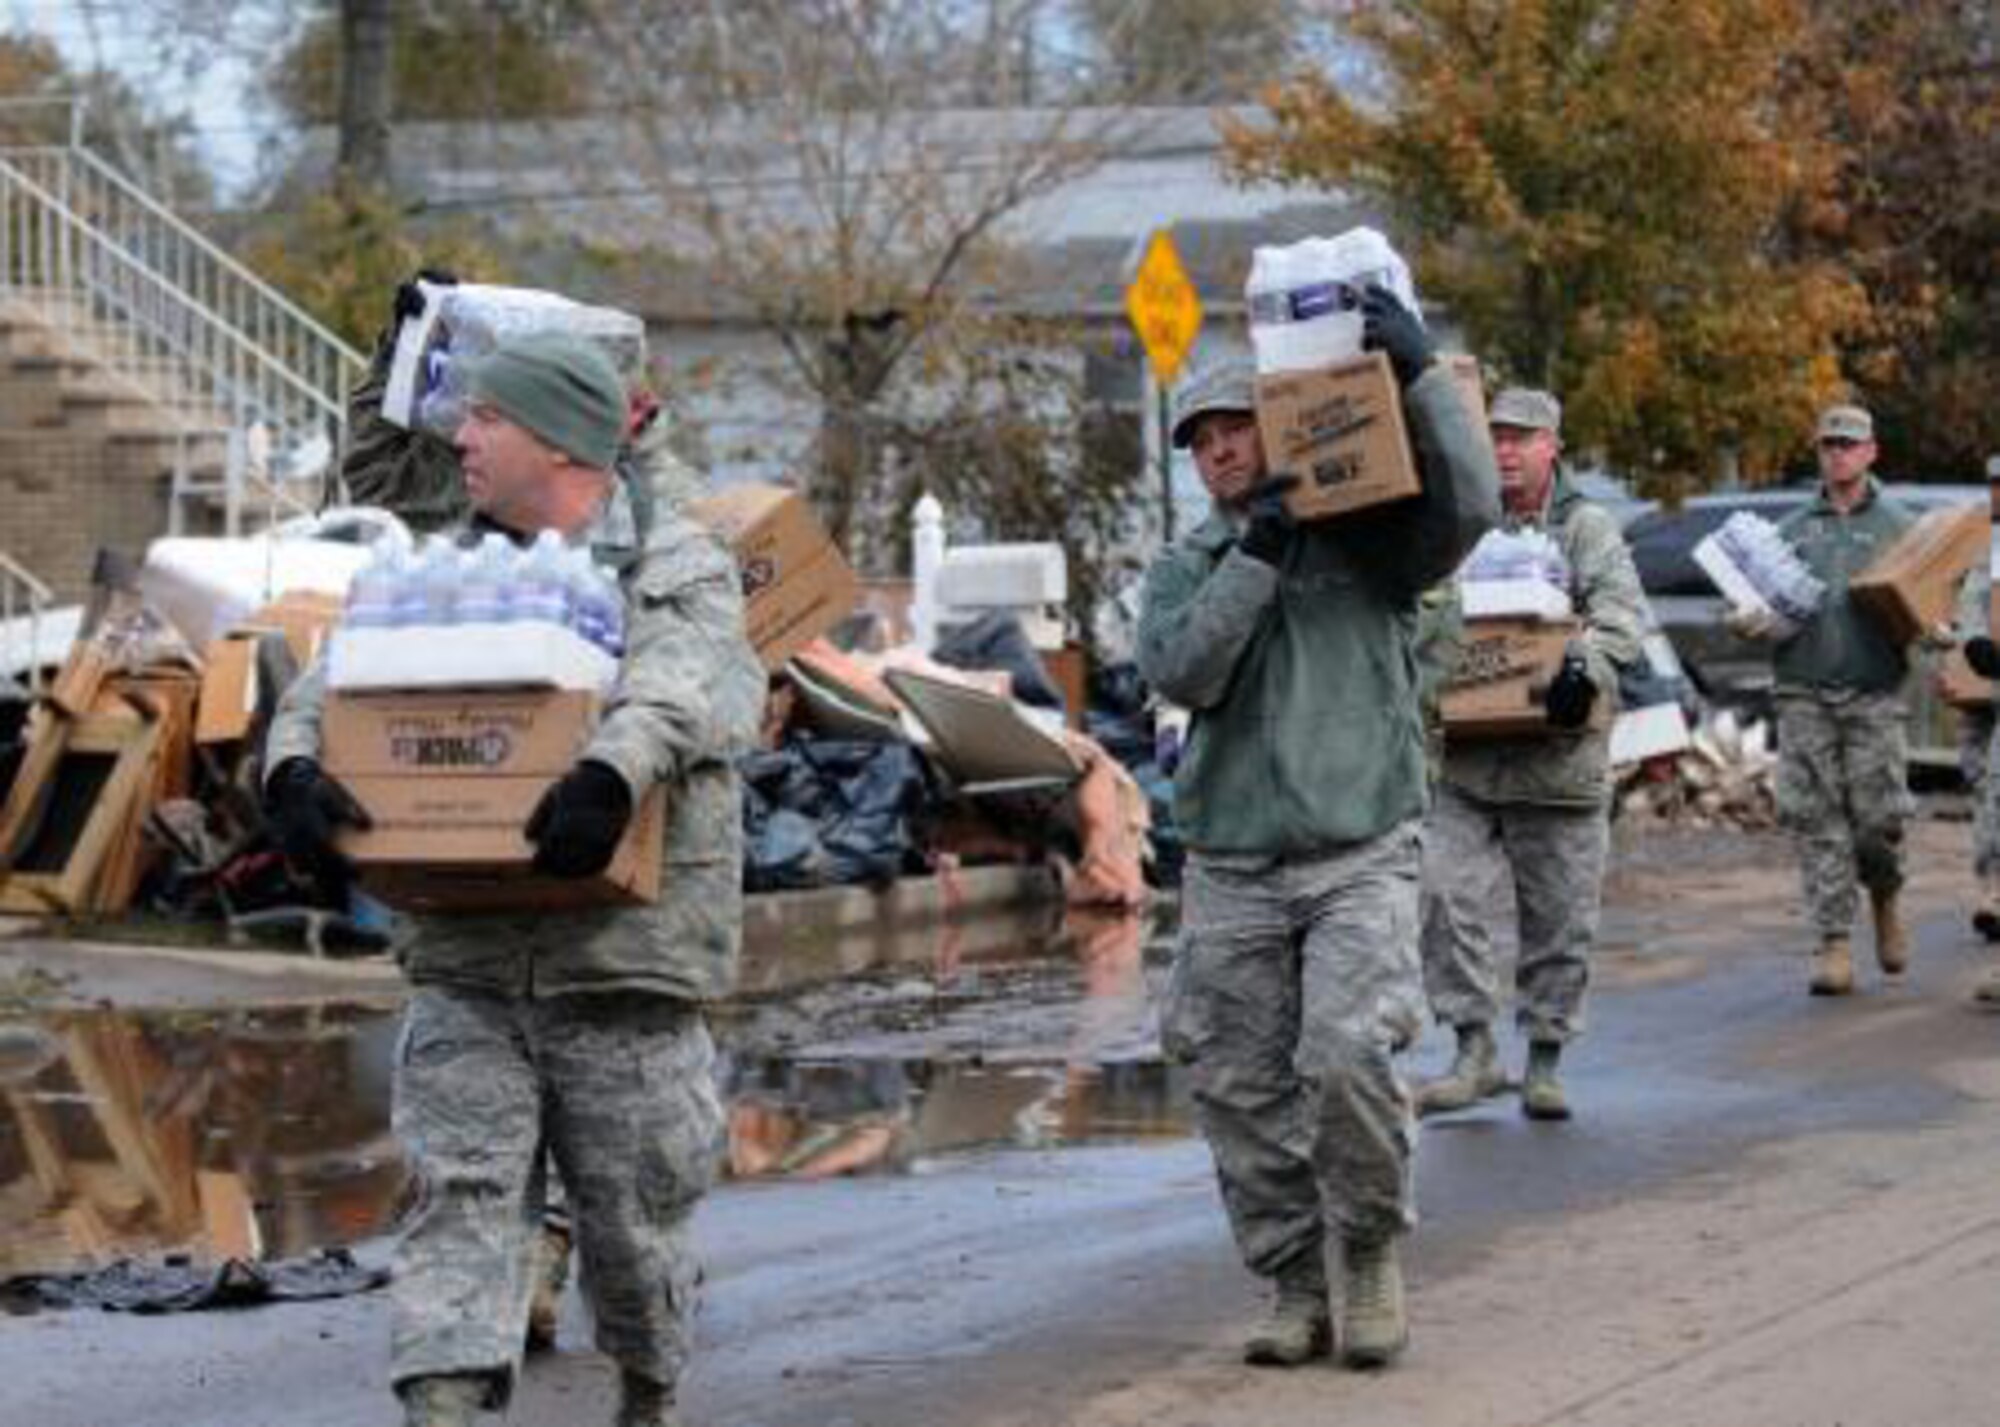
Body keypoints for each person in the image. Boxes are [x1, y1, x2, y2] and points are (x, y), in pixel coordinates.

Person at [264, 334, 765, 1427]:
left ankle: (648, 1394)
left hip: (622, 966)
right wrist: (291, 766)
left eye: (485, 418)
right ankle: (443, 1408)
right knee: (459, 1197)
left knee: (633, 1231)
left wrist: (605, 772)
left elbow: (686, 689)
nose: (462, 437)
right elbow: (329, 682)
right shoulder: (441, 571)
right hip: (468, 955)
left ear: (558, 439)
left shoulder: (673, 561)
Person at [1139, 290, 1500, 1372]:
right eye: (1198, 441)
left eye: (1233, 428)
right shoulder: (1188, 565)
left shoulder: (1374, 540)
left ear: (1281, 421)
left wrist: (1424, 378)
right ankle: (1294, 1280)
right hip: (1233, 864)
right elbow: (1180, 667)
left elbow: (1470, 506)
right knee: (1239, 1087)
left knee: (1344, 1054)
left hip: (1357, 851)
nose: (1216, 451)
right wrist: (1256, 552)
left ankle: (1372, 1253)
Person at [1414, 389, 1647, 1122]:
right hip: (1466, 760)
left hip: (1559, 762)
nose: (1507, 451)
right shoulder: (1462, 525)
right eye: (1497, 439)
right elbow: (1421, 606)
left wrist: (1586, 669)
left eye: (1522, 438)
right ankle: (1474, 1048)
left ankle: (1544, 1058)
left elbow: (1621, 619)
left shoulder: (1586, 528)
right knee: (1441, 893)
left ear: (1553, 445)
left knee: (1560, 919)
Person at [1731, 403, 1917, 996]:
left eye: (1848, 444)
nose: (1837, 454)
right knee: (1817, 822)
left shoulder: (1899, 524)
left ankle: (1885, 897)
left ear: (1870, 453)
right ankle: (1834, 943)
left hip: (1873, 692)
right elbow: (1751, 593)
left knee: (1878, 822)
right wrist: (1746, 619)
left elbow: (1932, 590)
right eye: (1828, 445)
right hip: (1804, 690)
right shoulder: (1789, 528)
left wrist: (1934, 626)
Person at [1950, 564, 2000, 1004]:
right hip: (1984, 703)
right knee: (1992, 804)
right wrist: (1968, 641)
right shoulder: (1987, 549)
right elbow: (1972, 604)